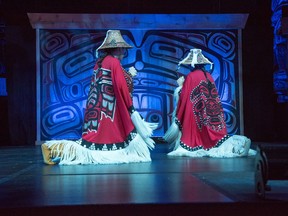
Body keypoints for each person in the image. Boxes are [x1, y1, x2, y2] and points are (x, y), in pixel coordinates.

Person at [41, 30, 157, 165]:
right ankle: (51, 148)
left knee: (89, 144)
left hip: (97, 112)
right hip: (107, 113)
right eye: (123, 50)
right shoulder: (113, 63)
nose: (123, 54)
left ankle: (53, 149)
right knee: (89, 145)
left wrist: (128, 76)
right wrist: (131, 105)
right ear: (119, 48)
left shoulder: (100, 62)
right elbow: (120, 86)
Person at [164, 48, 255, 157]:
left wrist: (180, 87)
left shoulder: (191, 76)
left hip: (197, 112)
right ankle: (238, 144)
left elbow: (184, 97)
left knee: (199, 135)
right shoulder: (208, 76)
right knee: (217, 137)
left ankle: (237, 145)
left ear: (192, 65)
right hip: (211, 112)